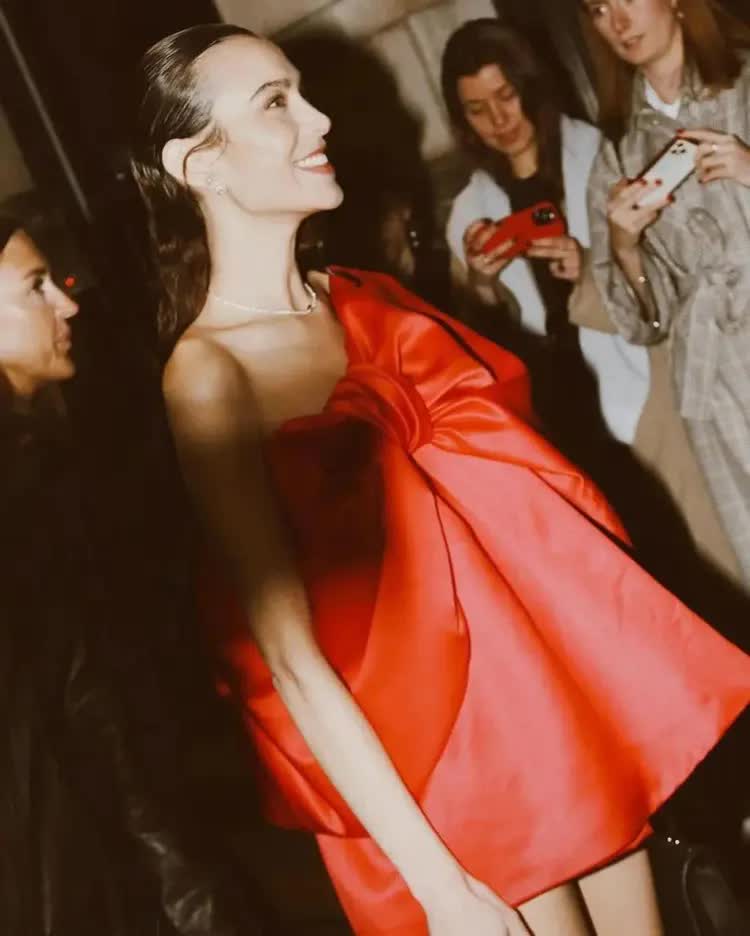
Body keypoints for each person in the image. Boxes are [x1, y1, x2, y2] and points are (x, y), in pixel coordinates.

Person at [130, 24, 750, 936]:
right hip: (439, 772)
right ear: (201, 164)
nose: (318, 118)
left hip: (544, 712)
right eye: (276, 104)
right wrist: (438, 884)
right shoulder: (208, 374)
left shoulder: (361, 297)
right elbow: (292, 660)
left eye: (303, 91)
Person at [0, 213, 272, 936]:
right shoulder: (21, 487)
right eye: (35, 287)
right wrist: (188, 888)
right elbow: (94, 717)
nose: (68, 304)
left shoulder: (38, 457)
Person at [578, 0, 750, 590]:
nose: (618, 21)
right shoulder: (617, 157)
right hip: (716, 380)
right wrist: (626, 248)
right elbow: (643, 323)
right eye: (598, 9)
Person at [442, 18, 650, 470]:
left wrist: (589, 267)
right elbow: (481, 355)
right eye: (477, 109)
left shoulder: (602, 159)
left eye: (506, 96)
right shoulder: (468, 213)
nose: (498, 120)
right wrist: (482, 287)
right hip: (558, 418)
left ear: (531, 86)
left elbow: (660, 281)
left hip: (642, 392)